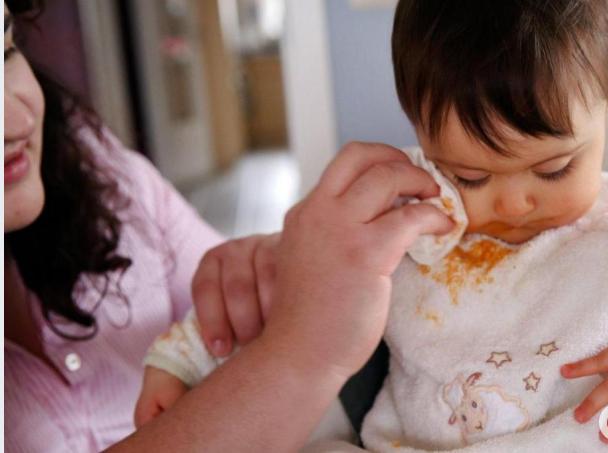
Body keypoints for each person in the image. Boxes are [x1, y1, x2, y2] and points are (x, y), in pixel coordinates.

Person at [137, 0, 608, 452]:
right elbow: (290, 293)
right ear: (417, 127)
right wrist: (180, 362)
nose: (513, 204)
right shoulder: (400, 218)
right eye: (471, 176)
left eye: (554, 167)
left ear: (606, 99)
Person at [3, 2, 452, 451]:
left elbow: (229, 306)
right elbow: (298, 342)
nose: (19, 121)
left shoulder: (94, 164)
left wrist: (265, 273)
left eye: (5, 50)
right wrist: (299, 351)